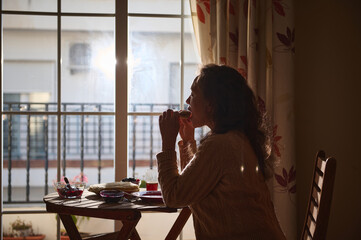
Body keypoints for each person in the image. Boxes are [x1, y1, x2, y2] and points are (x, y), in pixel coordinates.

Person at [157, 64, 286, 240]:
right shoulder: (234, 138)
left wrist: (167, 144)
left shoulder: (220, 144)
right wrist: (187, 141)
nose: (187, 101)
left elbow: (174, 196)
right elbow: (193, 187)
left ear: (211, 105)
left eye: (194, 95)